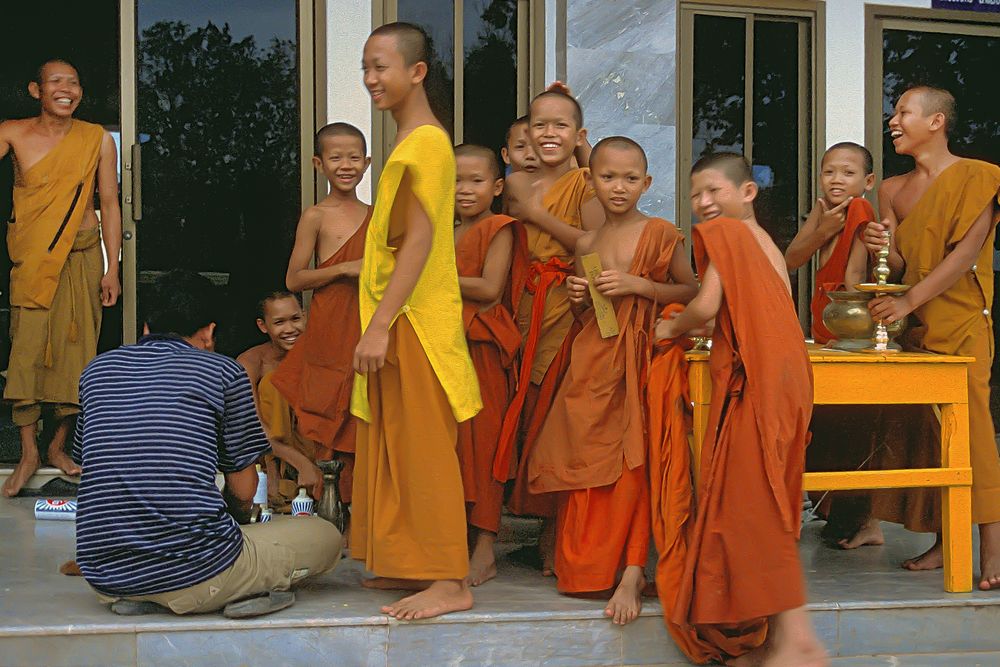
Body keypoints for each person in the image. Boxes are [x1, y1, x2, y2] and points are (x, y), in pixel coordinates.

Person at [73, 270, 342, 618]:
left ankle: (145, 596)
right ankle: (237, 590)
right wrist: (236, 522)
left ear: (145, 328)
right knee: (323, 536)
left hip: (106, 577)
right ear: (209, 333)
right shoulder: (222, 372)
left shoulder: (97, 370)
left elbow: (88, 463)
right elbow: (244, 490)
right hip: (201, 573)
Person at [654, 153, 826, 666]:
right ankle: (775, 639)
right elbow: (741, 314)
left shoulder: (730, 239)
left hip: (763, 384)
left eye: (714, 191)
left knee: (755, 507)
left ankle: (795, 641)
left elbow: (705, 309)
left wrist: (669, 327)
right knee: (762, 503)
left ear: (747, 192)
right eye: (695, 196)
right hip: (785, 379)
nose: (704, 203)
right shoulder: (765, 243)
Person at [529, 137, 697, 625]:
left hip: (644, 361)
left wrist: (640, 285)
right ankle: (582, 567)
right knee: (583, 456)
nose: (618, 188)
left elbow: (692, 288)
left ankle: (629, 572)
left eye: (629, 179)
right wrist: (581, 296)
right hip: (596, 361)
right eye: (607, 177)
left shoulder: (662, 232)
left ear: (646, 183)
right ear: (591, 182)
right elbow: (598, 317)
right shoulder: (586, 242)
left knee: (633, 464)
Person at [351, 22, 481, 620]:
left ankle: (451, 580)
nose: (372, 79)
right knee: (395, 442)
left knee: (424, 447)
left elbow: (420, 242)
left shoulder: (426, 142)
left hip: (412, 320)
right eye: (366, 68)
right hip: (398, 315)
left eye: (382, 66)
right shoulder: (412, 140)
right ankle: (409, 562)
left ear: (417, 72)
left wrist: (378, 326)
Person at [862, 85, 1000, 590]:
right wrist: (878, 243)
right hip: (917, 328)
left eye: (904, 112)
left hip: (961, 322)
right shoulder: (892, 190)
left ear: (937, 121)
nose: (893, 120)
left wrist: (906, 301)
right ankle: (945, 542)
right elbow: (898, 263)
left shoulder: (979, 177)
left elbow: (964, 256)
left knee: (975, 432)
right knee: (928, 434)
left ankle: (992, 548)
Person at [0, 59, 122, 497]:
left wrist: (113, 266)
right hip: (33, 259)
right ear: (36, 89)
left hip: (83, 257)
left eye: (74, 82)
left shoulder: (97, 139)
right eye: (56, 82)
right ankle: (28, 452)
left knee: (77, 353)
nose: (66, 89)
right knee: (26, 354)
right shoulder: (12, 132)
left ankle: (57, 446)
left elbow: (109, 203)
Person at [495, 90, 603, 569]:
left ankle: (557, 534)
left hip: (569, 307)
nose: (549, 135)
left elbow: (593, 241)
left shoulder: (586, 183)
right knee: (521, 417)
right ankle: (536, 527)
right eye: (540, 125)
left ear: (577, 136)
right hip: (522, 305)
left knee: (556, 418)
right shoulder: (514, 182)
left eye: (561, 126)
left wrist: (536, 215)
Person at [785, 142, 884, 549]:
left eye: (847, 173)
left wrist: (849, 320)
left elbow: (854, 274)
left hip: (847, 328)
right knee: (822, 425)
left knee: (851, 427)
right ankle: (837, 515)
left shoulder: (861, 210)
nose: (836, 180)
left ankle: (866, 521)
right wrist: (821, 228)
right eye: (829, 172)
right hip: (823, 328)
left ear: (868, 181)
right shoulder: (822, 209)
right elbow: (790, 258)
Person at [270, 121, 372, 508]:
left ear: (367, 163)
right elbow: (294, 278)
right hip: (330, 329)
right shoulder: (316, 215)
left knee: (361, 417)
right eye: (335, 158)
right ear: (318, 163)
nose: (345, 165)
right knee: (329, 415)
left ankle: (360, 514)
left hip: (366, 325)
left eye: (353, 158)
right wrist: (344, 269)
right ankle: (329, 509)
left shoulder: (377, 214)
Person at [453, 143, 528, 586]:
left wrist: (430, 271)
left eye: (476, 181)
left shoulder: (499, 227)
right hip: (447, 347)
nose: (465, 189)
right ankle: (456, 541)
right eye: (456, 180)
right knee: (457, 448)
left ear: (497, 186)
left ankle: (485, 547)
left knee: (485, 448)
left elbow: (489, 289)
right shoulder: (444, 232)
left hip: (482, 347)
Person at [236, 291, 323, 504]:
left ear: (305, 316)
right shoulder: (251, 362)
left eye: (295, 319)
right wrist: (301, 463)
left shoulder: (318, 356)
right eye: (279, 322)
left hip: (314, 453)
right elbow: (252, 426)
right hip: (269, 460)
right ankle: (276, 480)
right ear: (263, 326)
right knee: (272, 384)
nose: (290, 329)